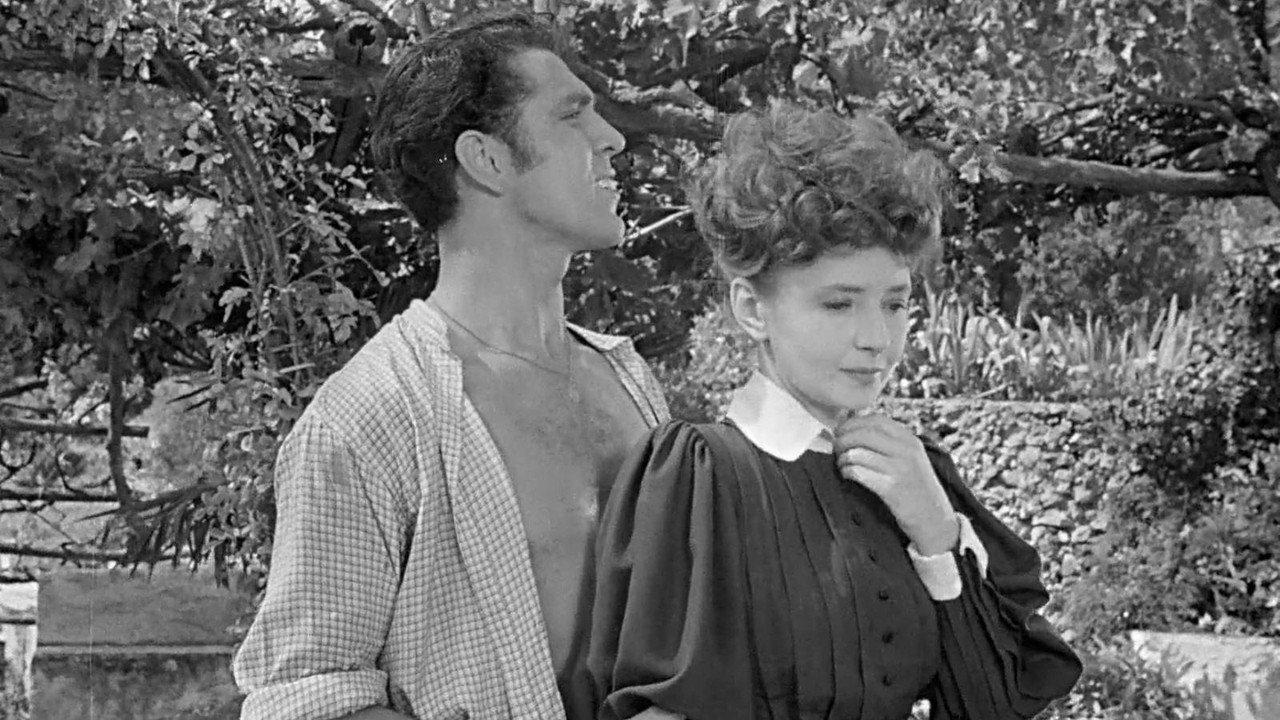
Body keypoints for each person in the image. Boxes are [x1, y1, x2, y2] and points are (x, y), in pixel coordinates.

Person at [231, 8, 670, 720]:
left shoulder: (627, 378)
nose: (611, 138)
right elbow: (306, 697)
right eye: (572, 115)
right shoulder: (370, 417)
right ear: (486, 160)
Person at [587, 102, 1083, 720]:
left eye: (895, 304)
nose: (877, 339)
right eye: (839, 305)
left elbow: (993, 705)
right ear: (751, 309)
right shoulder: (698, 476)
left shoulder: (916, 471)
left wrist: (935, 534)